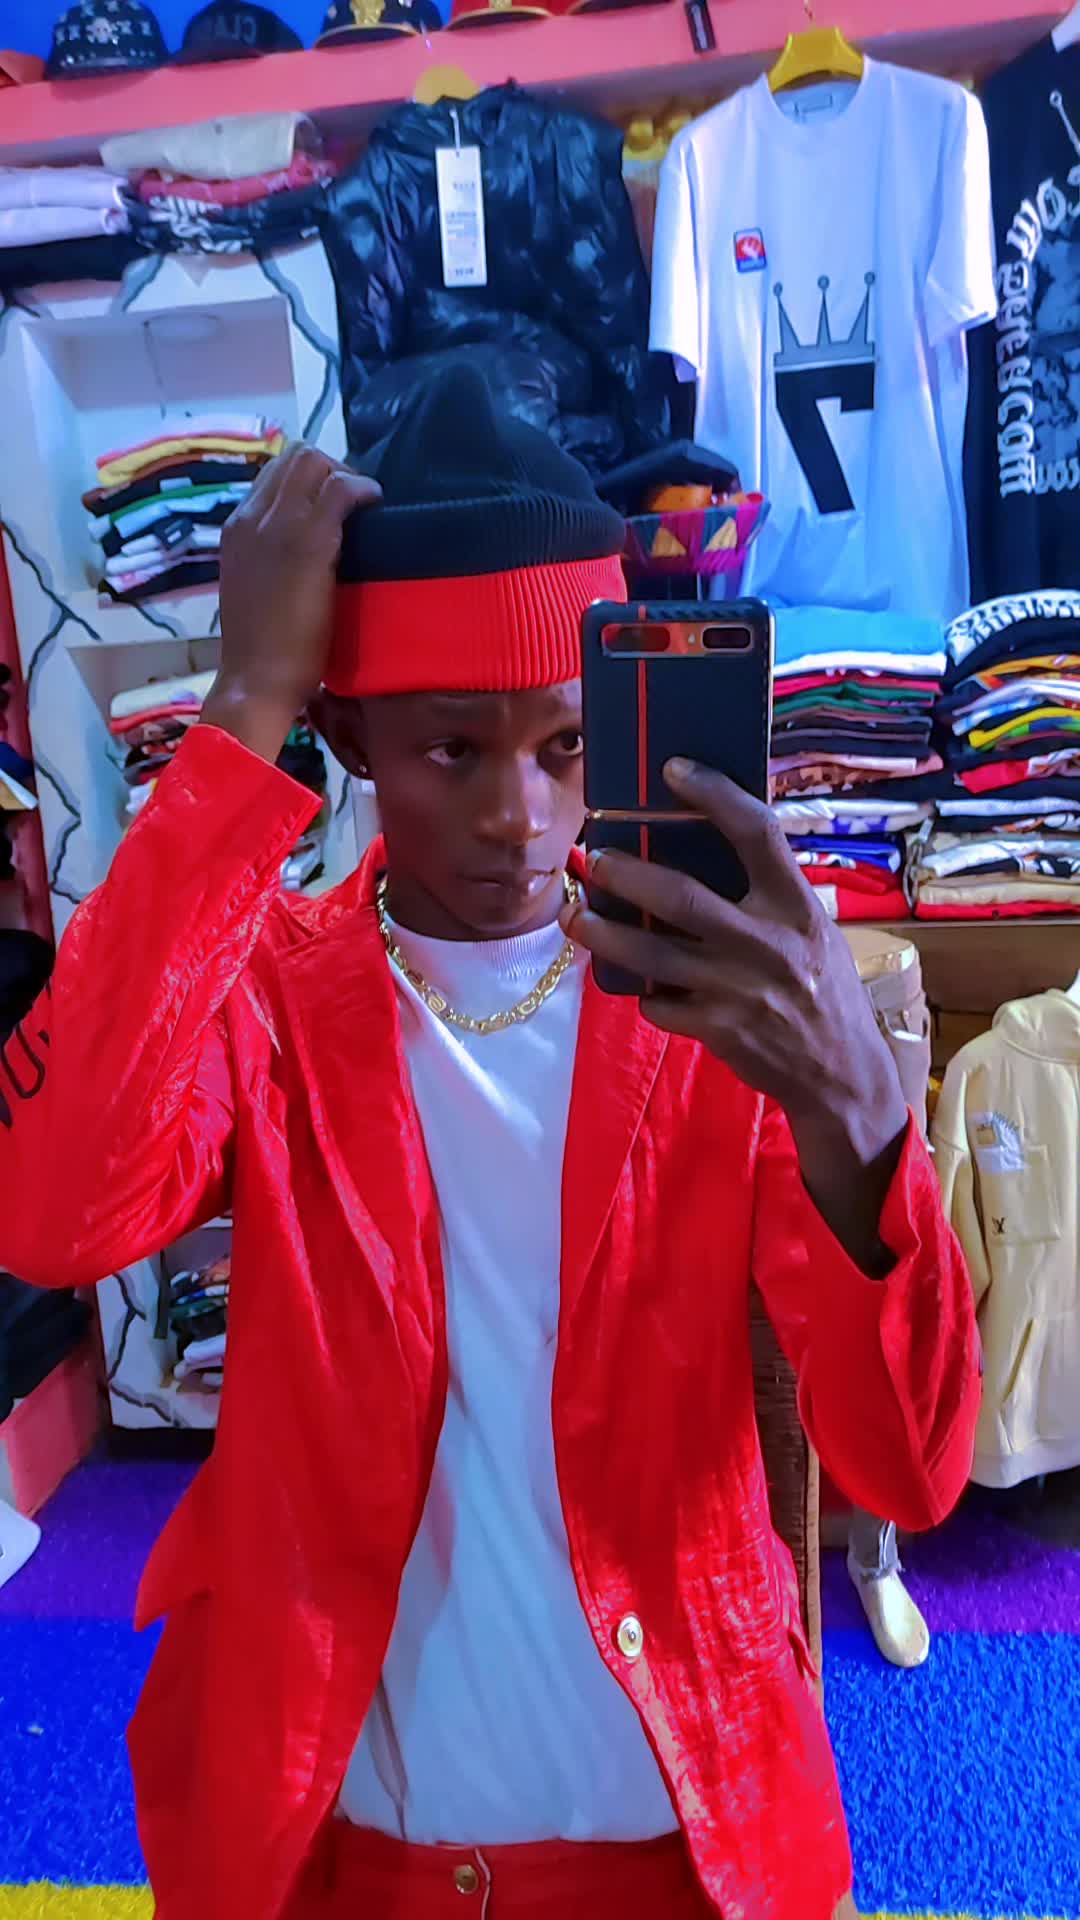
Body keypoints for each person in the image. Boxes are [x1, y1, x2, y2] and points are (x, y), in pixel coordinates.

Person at [0, 371, 980, 1920]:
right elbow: (53, 1216)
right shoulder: (267, 997)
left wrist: (859, 1110)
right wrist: (242, 700)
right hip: (337, 1842)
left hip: (681, 1837)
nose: (522, 817)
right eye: (452, 750)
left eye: (569, 745)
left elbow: (908, 1471)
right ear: (348, 732)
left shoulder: (712, 1011)